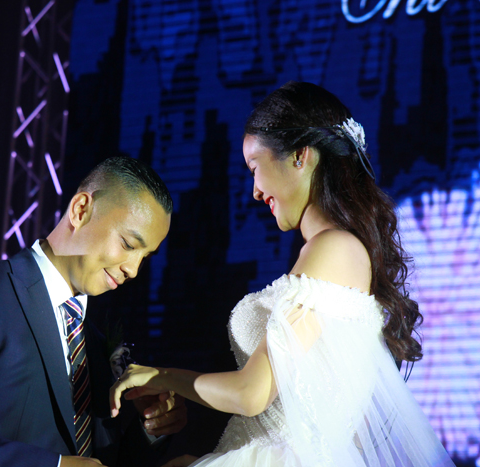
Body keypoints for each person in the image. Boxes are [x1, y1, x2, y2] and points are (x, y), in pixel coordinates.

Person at [110, 82, 455, 467]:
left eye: (255, 167)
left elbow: (252, 393)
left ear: (300, 156)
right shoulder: (340, 254)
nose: (255, 192)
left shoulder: (332, 249)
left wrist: (159, 375)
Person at [0, 157, 187, 467]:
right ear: (81, 210)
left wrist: (152, 427)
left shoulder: (94, 343)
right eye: (128, 244)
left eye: (146, 257)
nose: (133, 269)